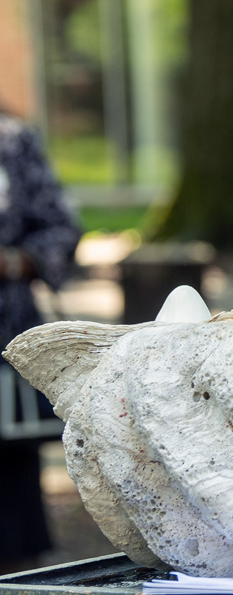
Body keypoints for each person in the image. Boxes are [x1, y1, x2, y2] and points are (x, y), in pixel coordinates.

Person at [0, 111, 82, 574]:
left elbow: (61, 227)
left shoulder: (10, 141)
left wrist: (12, 262)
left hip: (3, 341)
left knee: (10, 508)